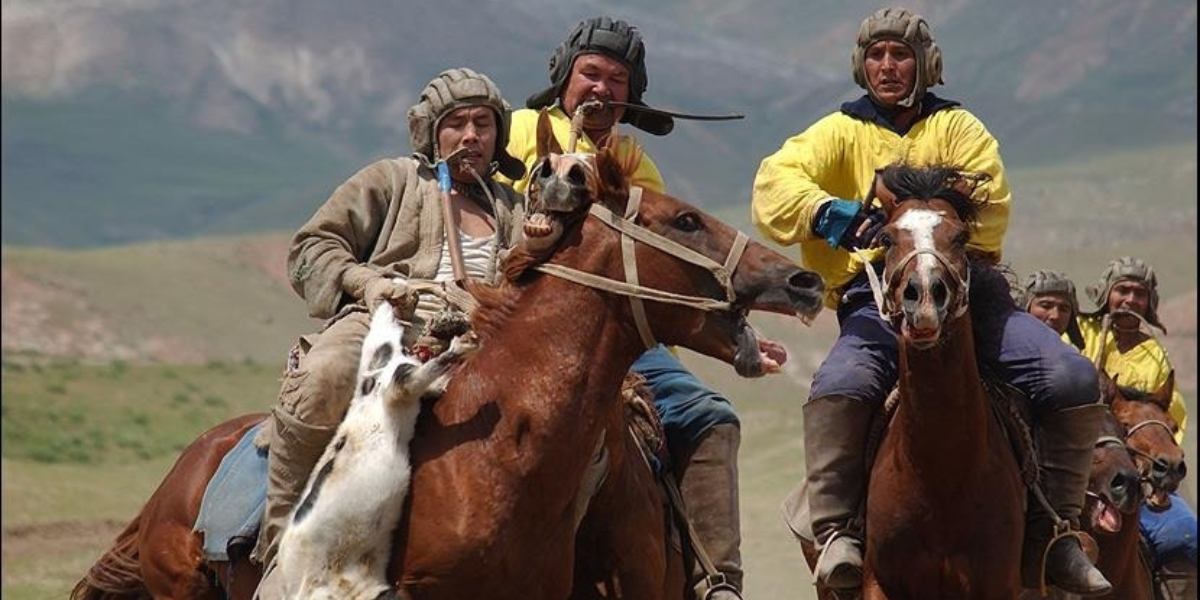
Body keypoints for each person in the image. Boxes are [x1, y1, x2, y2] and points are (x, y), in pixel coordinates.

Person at [751, 7, 1111, 596]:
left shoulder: (961, 127)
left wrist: (908, 198)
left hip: (972, 292)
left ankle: (1056, 531)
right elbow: (775, 184)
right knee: (837, 386)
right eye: (876, 56)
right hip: (874, 297)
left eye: (900, 56)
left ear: (926, 65)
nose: (887, 67)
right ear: (860, 65)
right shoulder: (837, 131)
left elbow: (987, 200)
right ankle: (839, 531)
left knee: (1071, 376)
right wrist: (835, 213)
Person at [250, 68, 527, 599]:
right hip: (385, 321)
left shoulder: (514, 208)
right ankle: (282, 551)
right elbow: (311, 248)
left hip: (478, 338)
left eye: (484, 124)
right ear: (431, 132)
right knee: (323, 376)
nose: (471, 136)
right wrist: (368, 281)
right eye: (457, 124)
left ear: (498, 134)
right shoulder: (391, 179)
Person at [498, 16, 747, 600]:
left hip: (615, 336)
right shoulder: (511, 131)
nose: (603, 89)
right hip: (515, 322)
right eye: (592, 74)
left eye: (618, 81)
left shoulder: (637, 163)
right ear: (564, 77)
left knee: (709, 416)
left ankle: (717, 581)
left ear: (631, 98)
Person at [1077, 256, 1196, 576]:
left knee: (1186, 536)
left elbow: (1168, 414)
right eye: (1123, 290)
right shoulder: (1080, 332)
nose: (1130, 299)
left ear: (1149, 302)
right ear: (1106, 293)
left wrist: (1158, 470)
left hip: (1142, 458)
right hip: (1082, 450)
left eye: (1139, 293)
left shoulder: (1154, 353)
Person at [1017, 269, 1086, 349]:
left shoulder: (1071, 360)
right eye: (1046, 306)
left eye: (1063, 309)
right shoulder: (1002, 353)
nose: (1055, 316)